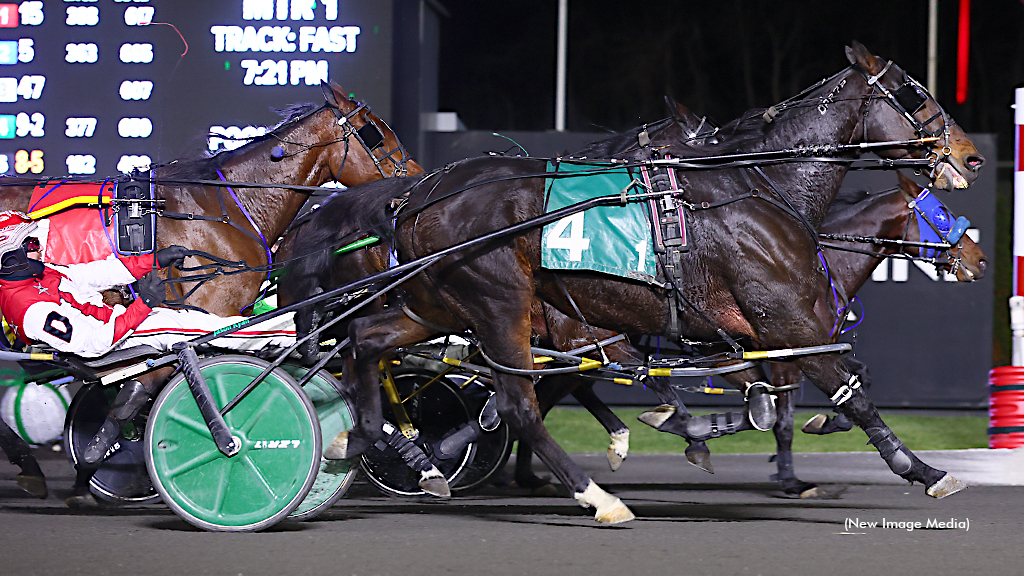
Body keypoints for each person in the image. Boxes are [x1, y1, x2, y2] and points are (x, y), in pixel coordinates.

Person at [0, 211, 297, 504]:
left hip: (122, 325)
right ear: (10, 257)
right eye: (31, 244)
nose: (39, 247)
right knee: (192, 327)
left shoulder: (43, 275)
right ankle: (286, 335)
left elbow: (102, 272)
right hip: (112, 345)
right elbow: (95, 343)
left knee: (189, 319)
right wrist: (143, 305)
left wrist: (155, 261)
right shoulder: (29, 311)